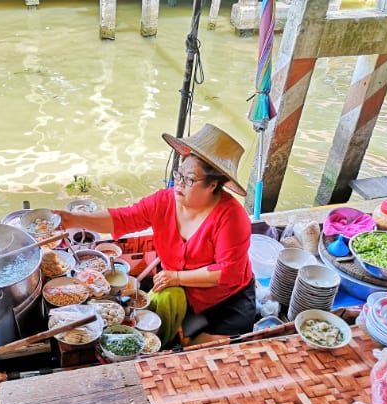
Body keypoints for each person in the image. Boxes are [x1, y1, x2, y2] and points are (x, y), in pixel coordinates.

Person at [53, 123, 255, 346]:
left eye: (189, 179)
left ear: (212, 185)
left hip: (226, 298)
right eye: (179, 175)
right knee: (165, 325)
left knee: (206, 348)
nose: (178, 183)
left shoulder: (232, 218)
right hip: (178, 289)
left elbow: (227, 273)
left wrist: (176, 277)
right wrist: (73, 219)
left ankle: (190, 333)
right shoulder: (164, 201)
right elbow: (123, 218)